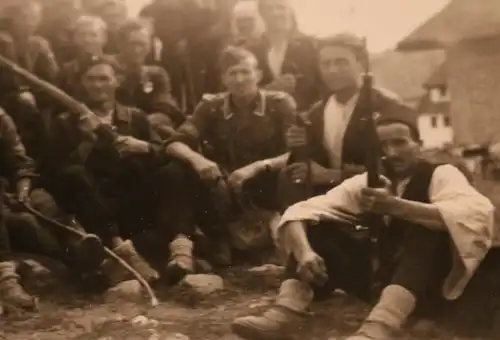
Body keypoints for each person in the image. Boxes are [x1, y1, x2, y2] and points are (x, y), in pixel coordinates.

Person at [231, 114, 497, 340]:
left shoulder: (442, 173)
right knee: (313, 224)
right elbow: (300, 211)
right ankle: (286, 312)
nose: (392, 152)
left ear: (420, 144)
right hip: (381, 282)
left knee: (427, 228)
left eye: (400, 142)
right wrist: (305, 253)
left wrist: (396, 206)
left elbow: (474, 215)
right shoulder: (369, 181)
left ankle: (379, 327)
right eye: (383, 145)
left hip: (431, 286)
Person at [157, 46, 295, 281]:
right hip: (224, 187)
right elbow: (175, 143)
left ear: (259, 75)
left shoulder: (279, 104)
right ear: (223, 79)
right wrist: (198, 160)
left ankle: (278, 247)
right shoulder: (211, 107)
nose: (239, 79)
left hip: (267, 184)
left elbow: (297, 152)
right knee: (175, 169)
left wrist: (258, 166)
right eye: (232, 73)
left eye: (245, 72)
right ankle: (184, 246)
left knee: (292, 174)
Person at [49, 56, 161, 290]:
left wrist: (145, 147)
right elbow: (57, 171)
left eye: (104, 78)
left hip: (130, 201)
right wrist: (89, 140)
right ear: (82, 83)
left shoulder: (135, 117)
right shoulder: (66, 121)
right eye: (90, 79)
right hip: (90, 204)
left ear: (117, 81)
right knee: (75, 174)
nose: (97, 85)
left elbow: (163, 153)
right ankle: (122, 250)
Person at [279, 33, 416, 210]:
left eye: (341, 62)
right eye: (326, 64)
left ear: (361, 64)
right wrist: (299, 149)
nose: (333, 70)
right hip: (331, 206)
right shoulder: (316, 113)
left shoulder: (386, 105)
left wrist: (332, 175)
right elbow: (309, 168)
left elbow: (398, 166)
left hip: (377, 206)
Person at [0, 0, 59, 165]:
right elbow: (7, 78)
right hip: (6, 97)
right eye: (24, 17)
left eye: (34, 17)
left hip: (37, 97)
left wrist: (47, 55)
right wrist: (20, 91)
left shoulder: (39, 44)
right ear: (13, 19)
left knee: (46, 116)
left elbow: (51, 77)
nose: (30, 22)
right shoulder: (3, 41)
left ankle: (42, 162)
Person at [114, 19, 184, 140]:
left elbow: (164, 109)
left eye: (142, 44)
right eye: (132, 44)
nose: (137, 50)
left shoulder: (156, 74)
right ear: (120, 44)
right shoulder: (106, 70)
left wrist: (141, 125)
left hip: (147, 131)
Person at [248, 0, 319, 111]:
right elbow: (236, 91)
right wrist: (268, 90)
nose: (276, 13)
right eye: (269, 9)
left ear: (290, 11)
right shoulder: (250, 50)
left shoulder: (312, 46)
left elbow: (324, 88)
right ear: (262, 14)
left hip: (304, 119)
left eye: (280, 7)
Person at [58, 15, 108, 100]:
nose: (87, 39)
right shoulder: (66, 71)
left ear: (104, 38)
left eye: (93, 35)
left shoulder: (114, 67)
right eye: (82, 34)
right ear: (75, 38)